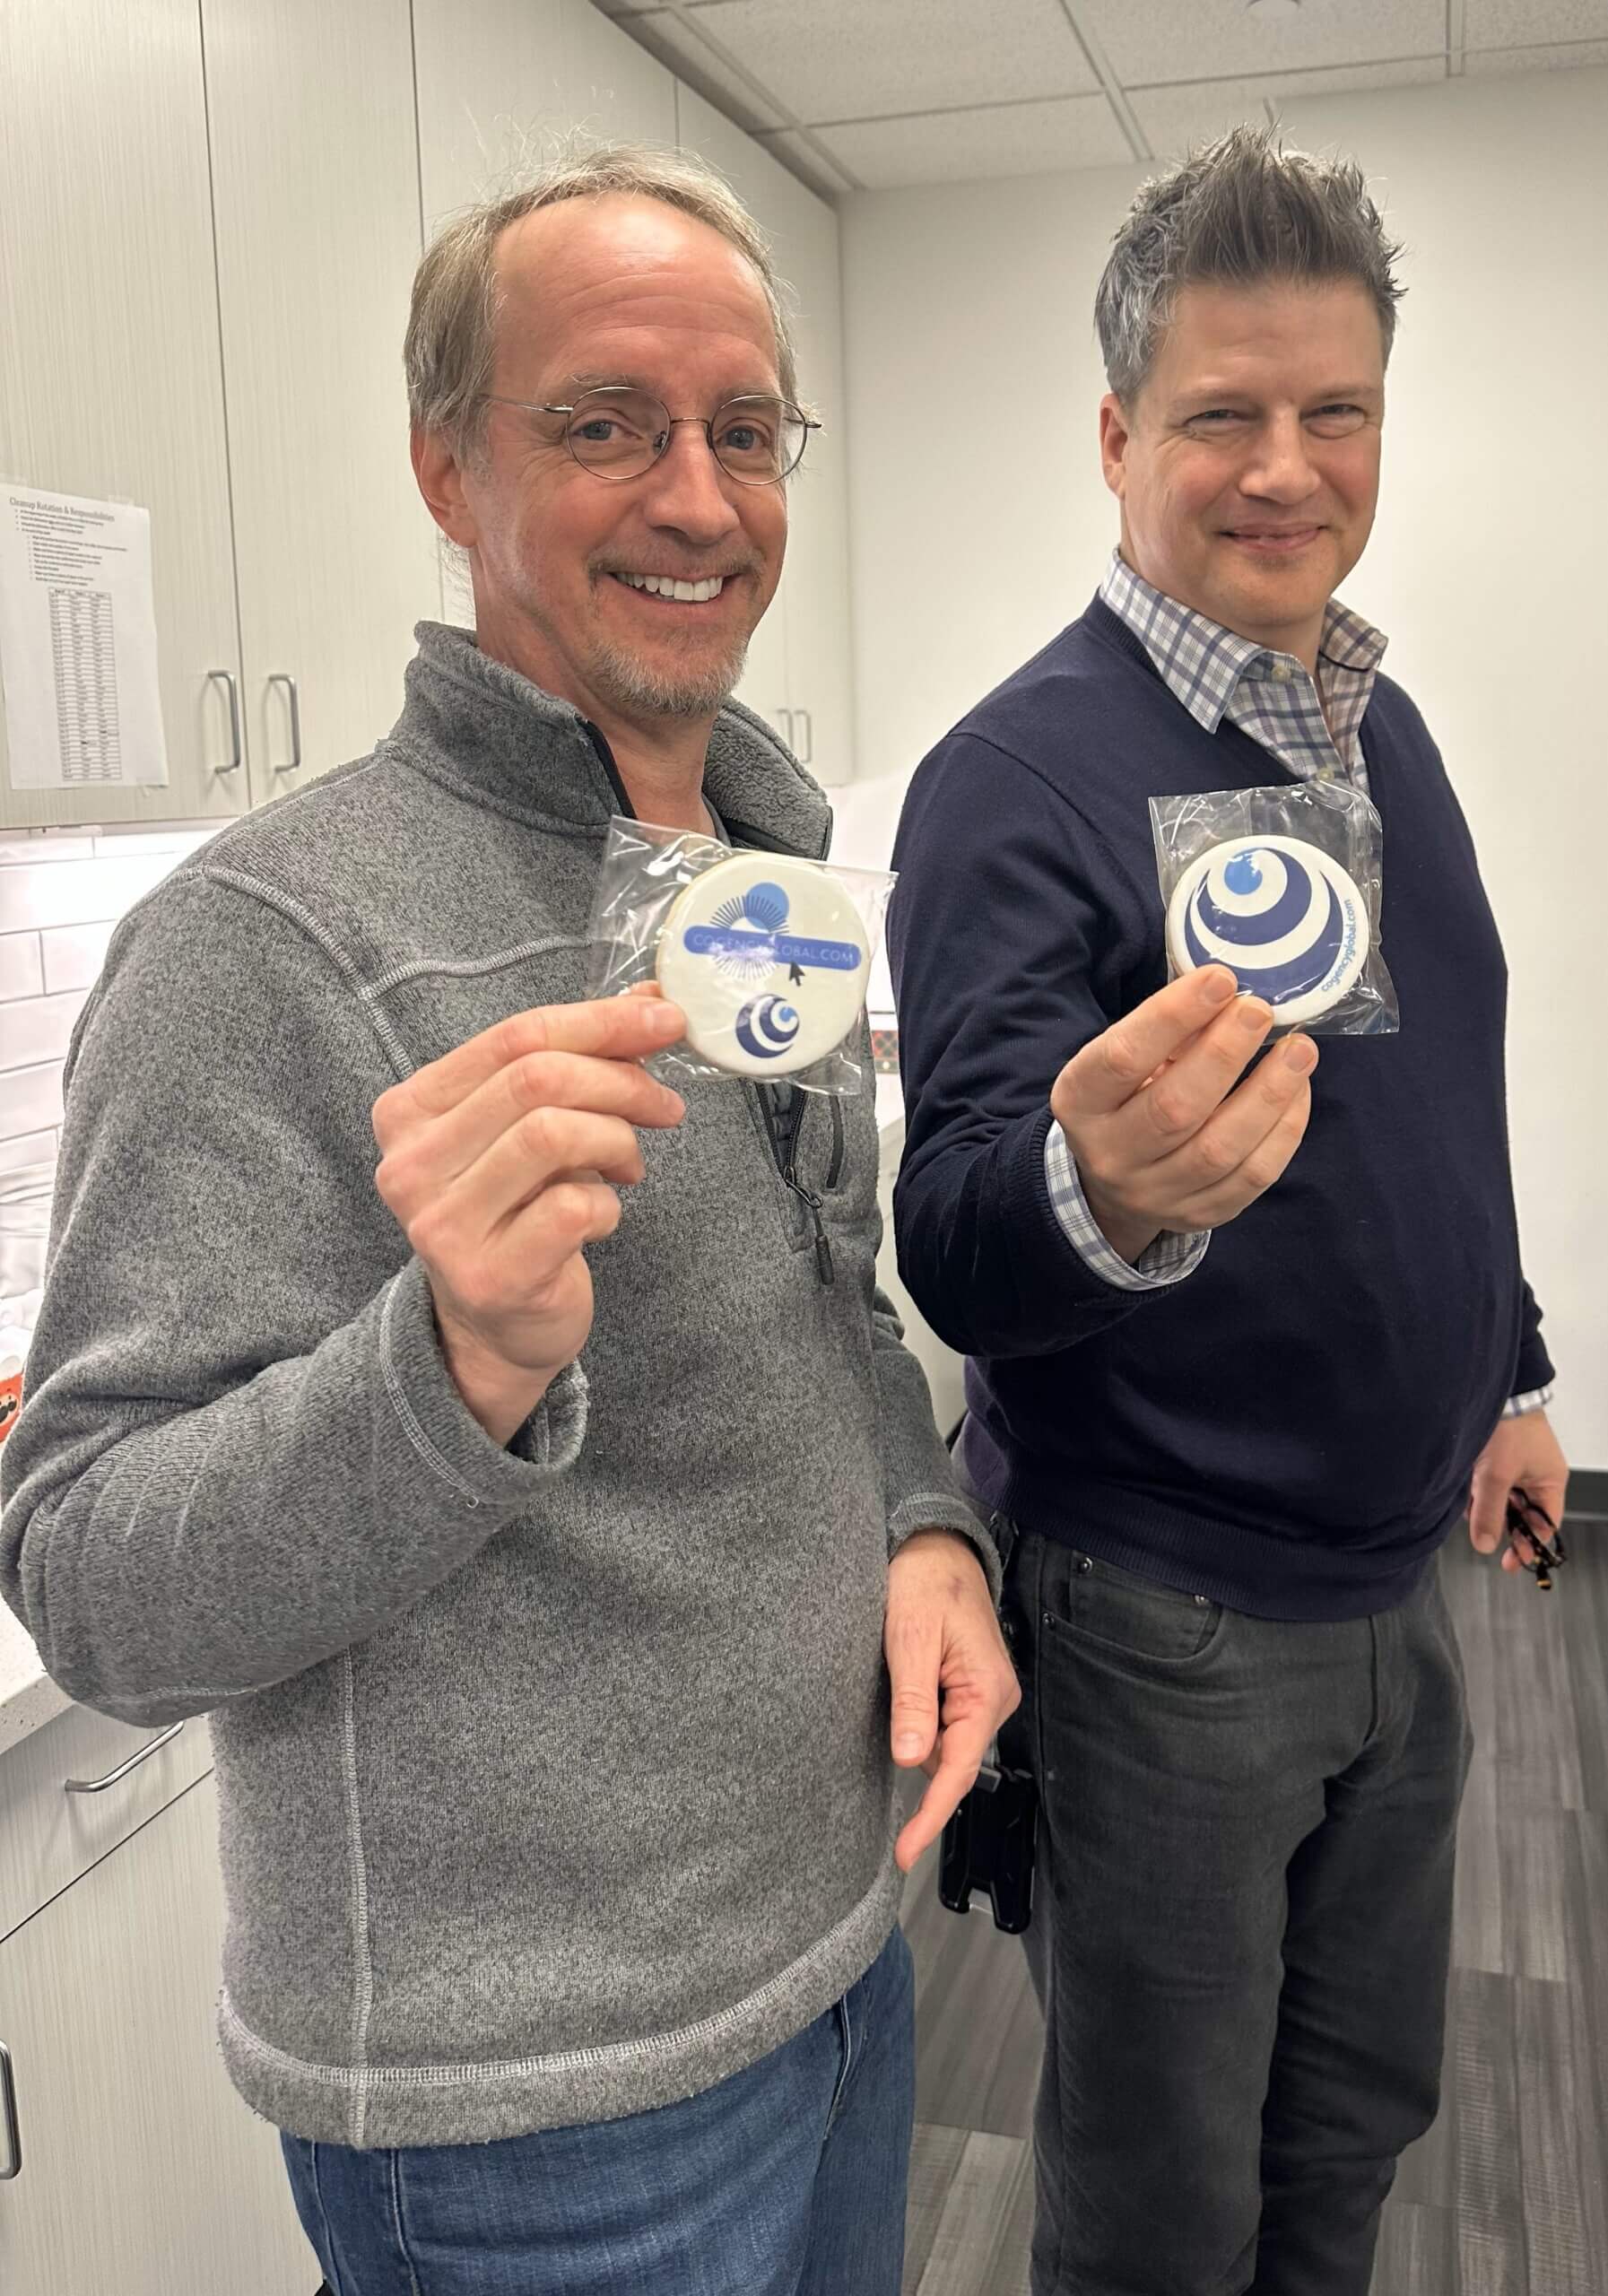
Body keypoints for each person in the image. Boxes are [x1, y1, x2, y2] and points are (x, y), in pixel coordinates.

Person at [0, 146, 1018, 2296]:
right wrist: (453, 1362)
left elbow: (825, 1307)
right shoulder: (259, 943)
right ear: (446, 467)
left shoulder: (764, 881)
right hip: (530, 2121)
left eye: (745, 430)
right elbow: (92, 1577)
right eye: (605, 423)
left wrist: (926, 1522)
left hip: (836, 1952)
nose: (698, 496)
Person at [889, 127, 1569, 2296]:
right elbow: (956, 1227)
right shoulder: (1015, 779)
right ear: (1118, 439)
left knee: (1350, 2124)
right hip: (1163, 1614)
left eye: (1334, 410)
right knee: (1163, 2197)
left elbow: (1432, 1103)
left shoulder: (1381, 734)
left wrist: (1510, 1369)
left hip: (1397, 1586)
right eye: (1221, 416)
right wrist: (1091, 1184)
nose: (1286, 468)